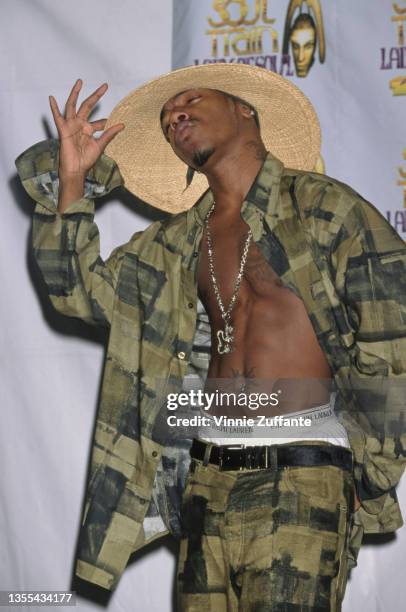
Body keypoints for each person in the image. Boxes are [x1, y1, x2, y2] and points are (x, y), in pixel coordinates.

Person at [16, 64, 406, 611]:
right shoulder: (175, 243)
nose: (175, 116)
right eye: (166, 117)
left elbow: (394, 322)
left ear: (245, 109)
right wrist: (75, 184)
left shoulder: (323, 207)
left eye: (191, 101)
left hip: (299, 473)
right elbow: (78, 291)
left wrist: (373, 461)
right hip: (205, 481)